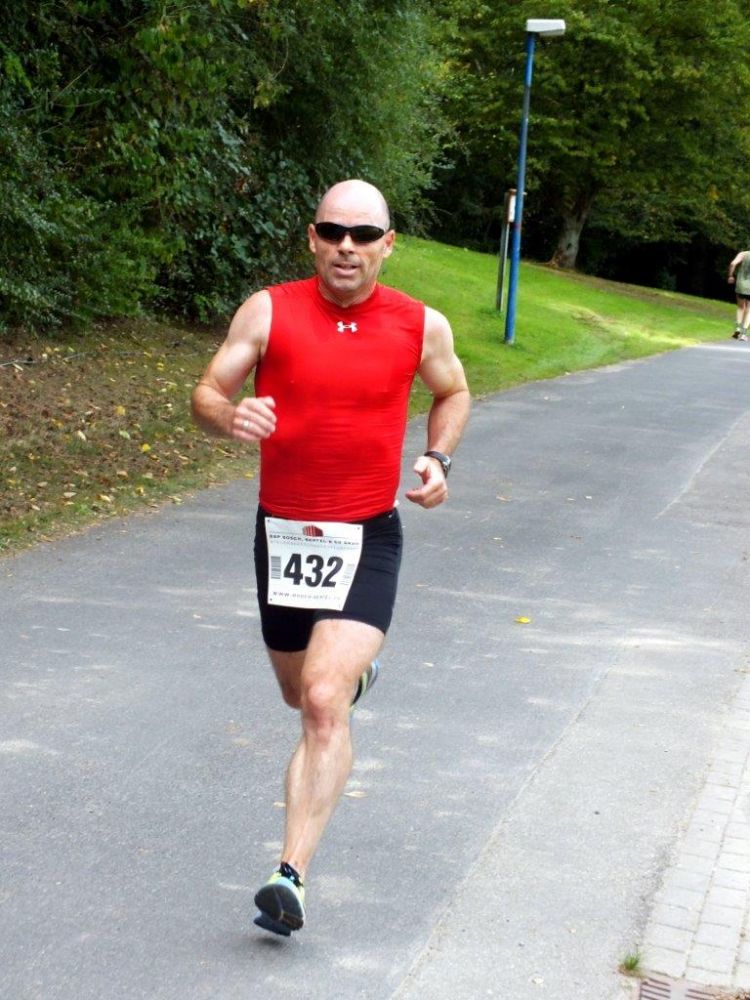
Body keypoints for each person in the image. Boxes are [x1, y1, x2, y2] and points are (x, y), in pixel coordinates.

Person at [191, 179, 470, 937]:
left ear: (388, 244)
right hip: (284, 535)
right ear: (312, 239)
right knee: (297, 692)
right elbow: (207, 391)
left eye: (364, 234)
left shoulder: (420, 324)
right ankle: (354, 679)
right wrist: (229, 414)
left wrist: (439, 458)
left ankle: (290, 875)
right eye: (333, 231)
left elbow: (453, 392)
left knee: (320, 698)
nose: (348, 246)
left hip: (366, 536)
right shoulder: (268, 310)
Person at [727, 249, 750, 340]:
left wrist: (730, 276)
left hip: (741, 285)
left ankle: (737, 330)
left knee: (740, 308)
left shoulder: (743, 254)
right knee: (749, 310)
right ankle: (744, 334)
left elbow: (733, 264)